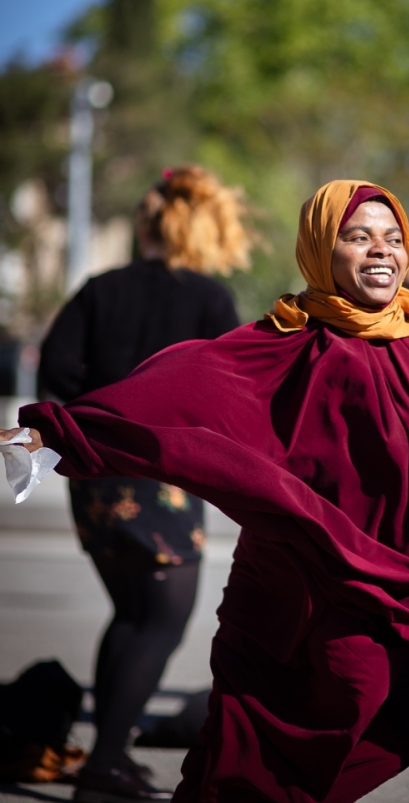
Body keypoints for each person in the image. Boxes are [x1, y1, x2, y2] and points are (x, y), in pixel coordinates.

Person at [4, 179, 409, 803]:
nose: (382, 250)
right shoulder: (281, 345)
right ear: (321, 248)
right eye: (358, 236)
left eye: (392, 237)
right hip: (316, 599)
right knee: (278, 772)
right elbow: (172, 390)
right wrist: (50, 433)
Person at [37, 165, 255, 802]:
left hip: (92, 470)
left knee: (130, 613)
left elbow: (55, 369)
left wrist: (81, 433)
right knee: (163, 618)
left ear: (147, 223)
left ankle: (109, 757)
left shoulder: (100, 289)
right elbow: (227, 388)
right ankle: (104, 763)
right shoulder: (209, 299)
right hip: (159, 475)